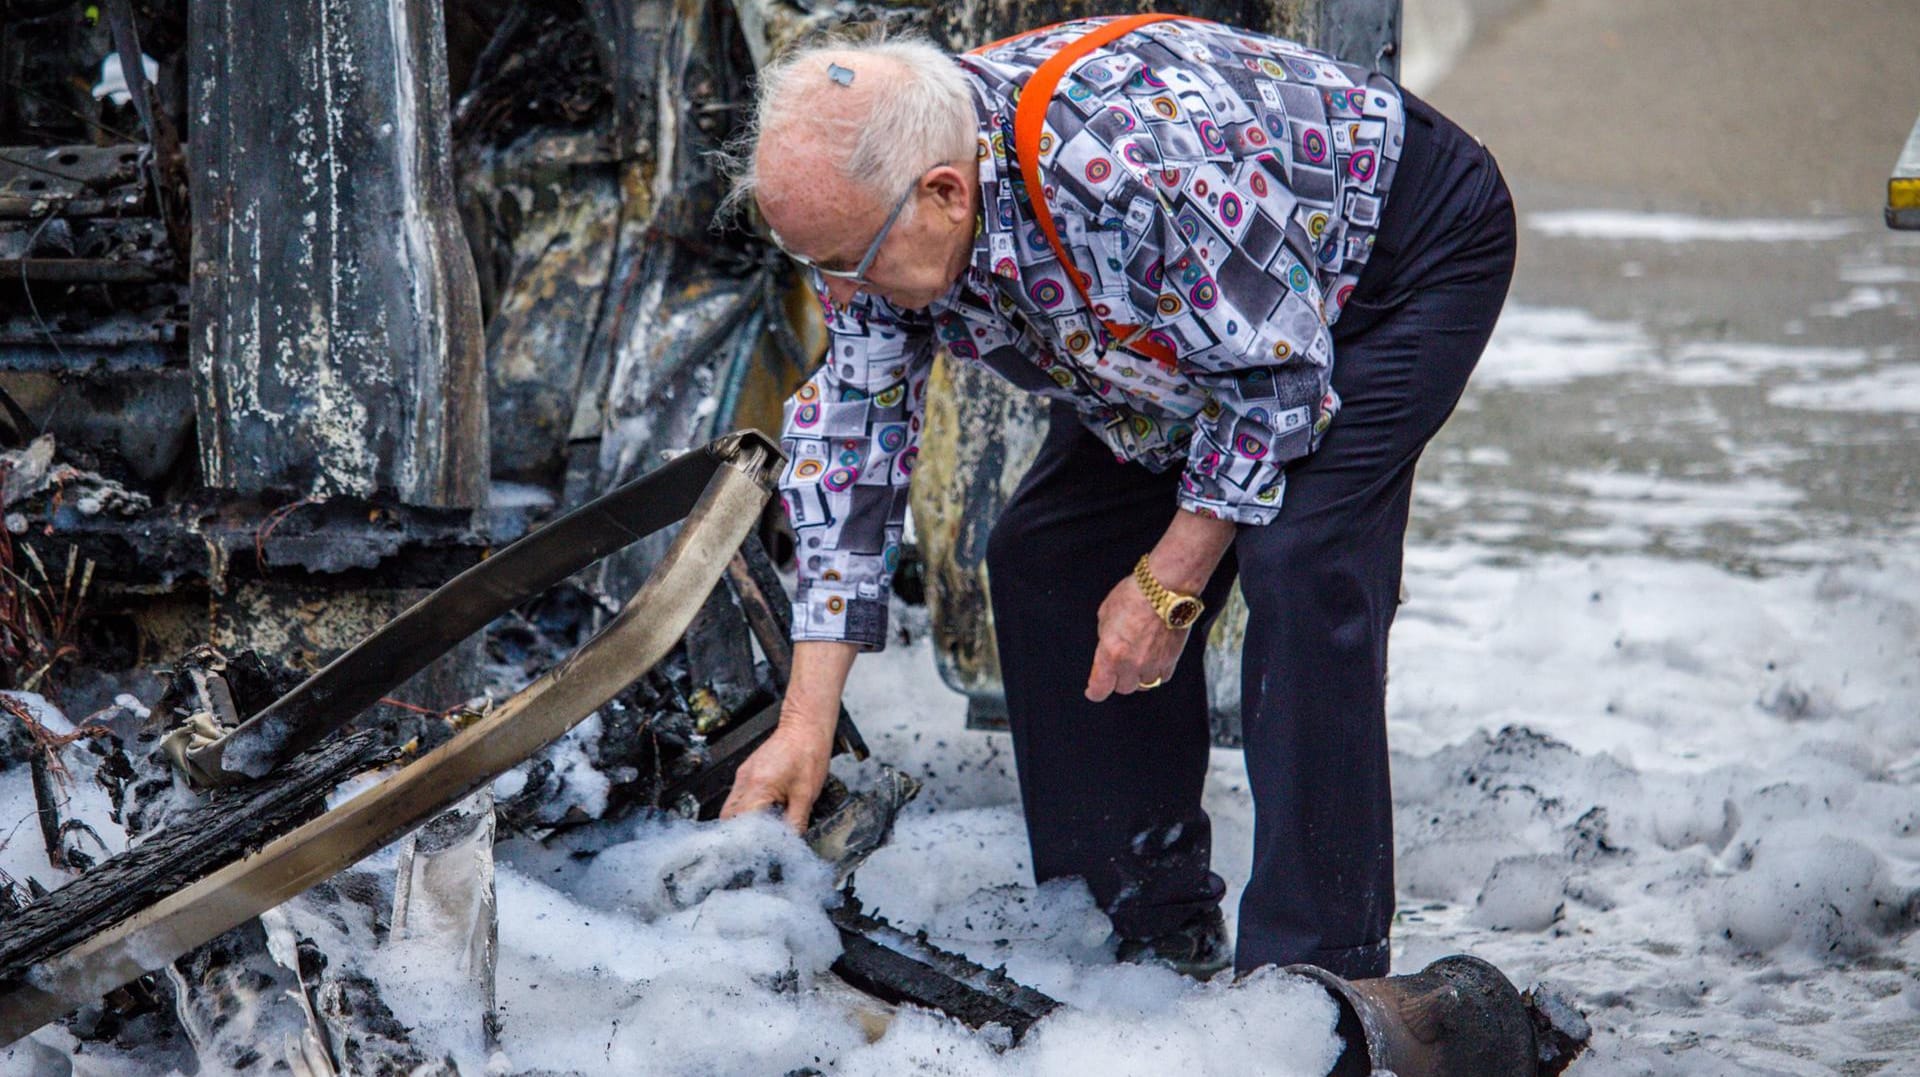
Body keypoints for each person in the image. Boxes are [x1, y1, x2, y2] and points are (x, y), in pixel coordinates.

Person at [718, 14, 1515, 980]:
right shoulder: (885, 205)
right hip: (1190, 326)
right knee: (1048, 556)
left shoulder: (1118, 168)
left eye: (849, 261)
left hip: (1389, 259)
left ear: (943, 192)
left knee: (1301, 558)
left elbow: (1274, 385)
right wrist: (803, 724)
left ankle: (1318, 978)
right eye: (819, 265)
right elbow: (853, 441)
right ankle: (1133, 926)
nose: (840, 287)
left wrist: (1166, 587)